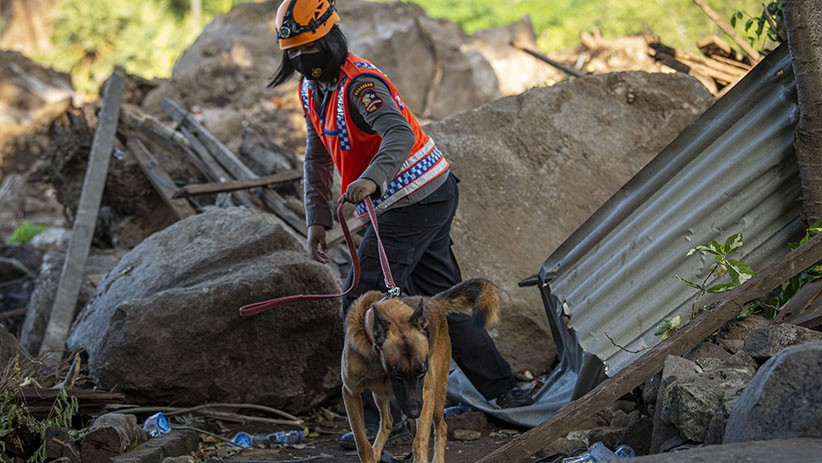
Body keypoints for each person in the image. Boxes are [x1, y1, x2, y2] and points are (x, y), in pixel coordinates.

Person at [269, 0, 534, 449]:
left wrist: (373, 178)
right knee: (440, 300)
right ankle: (503, 389)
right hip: (416, 197)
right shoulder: (312, 90)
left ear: (330, 39)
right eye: (292, 52)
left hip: (417, 197)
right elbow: (317, 156)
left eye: (308, 49)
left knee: (360, 302)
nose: (300, 59)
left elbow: (399, 133)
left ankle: (375, 424)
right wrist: (316, 218)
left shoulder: (361, 85)